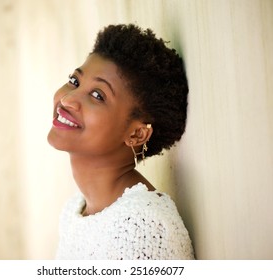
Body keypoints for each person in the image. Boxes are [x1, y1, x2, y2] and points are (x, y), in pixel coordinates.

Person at [48, 24, 194, 260]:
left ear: (136, 135)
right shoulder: (75, 210)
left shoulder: (142, 225)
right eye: (74, 81)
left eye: (98, 95)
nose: (68, 99)